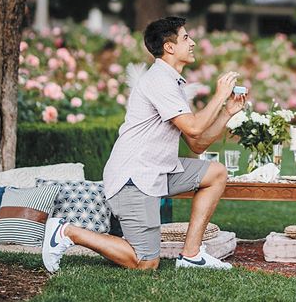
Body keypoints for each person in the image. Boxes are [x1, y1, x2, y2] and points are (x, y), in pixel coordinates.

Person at [42, 16, 246, 273]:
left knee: (215, 173)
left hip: (159, 171)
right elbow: (194, 126)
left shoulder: (173, 84)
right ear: (169, 47)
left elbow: (197, 143)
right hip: (134, 178)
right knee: (145, 263)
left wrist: (227, 112)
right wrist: (219, 95)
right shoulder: (158, 80)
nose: (192, 42)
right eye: (186, 38)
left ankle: (191, 255)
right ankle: (66, 231)